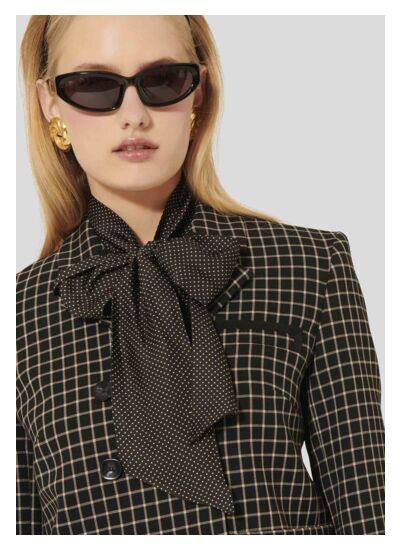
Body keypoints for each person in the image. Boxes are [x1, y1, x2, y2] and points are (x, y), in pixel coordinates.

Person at [16, 15, 385, 535]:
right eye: (95, 86)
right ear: (50, 103)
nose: (134, 116)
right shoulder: (20, 309)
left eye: (163, 81)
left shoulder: (308, 263)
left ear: (199, 93)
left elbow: (370, 505)